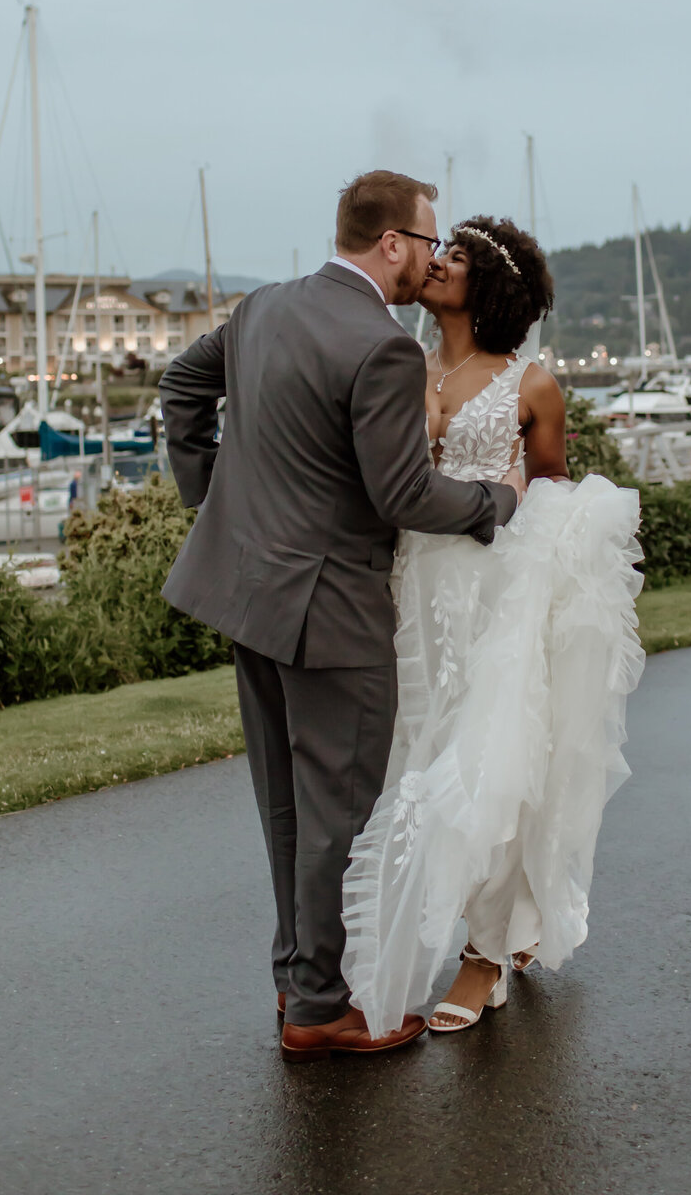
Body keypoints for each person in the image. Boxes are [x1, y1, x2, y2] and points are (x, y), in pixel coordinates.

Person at [158, 171, 521, 1062]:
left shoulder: (261, 309)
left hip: (245, 595)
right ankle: (320, 1007)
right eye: (430, 242)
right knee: (337, 814)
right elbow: (403, 494)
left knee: (285, 807)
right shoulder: (382, 347)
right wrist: (495, 502)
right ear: (391, 243)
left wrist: (215, 504)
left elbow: (180, 390)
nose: (433, 260)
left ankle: (297, 982)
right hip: (331, 612)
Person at [341, 217, 645, 1038]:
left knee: (491, 756)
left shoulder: (531, 385)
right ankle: (455, 927)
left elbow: (551, 494)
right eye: (441, 251)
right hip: (410, 588)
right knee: (421, 754)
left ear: (493, 287)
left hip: (493, 594)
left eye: (459, 257)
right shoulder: (400, 363)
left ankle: (482, 956)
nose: (438, 264)